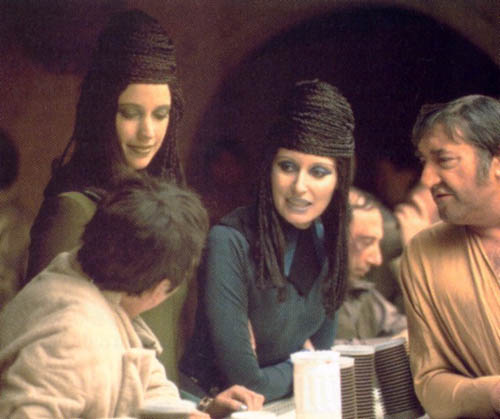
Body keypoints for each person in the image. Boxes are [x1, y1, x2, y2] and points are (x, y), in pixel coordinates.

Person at [0, 177, 264, 418]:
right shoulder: (74, 337)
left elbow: (142, 384)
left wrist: (201, 410)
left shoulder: (89, 281)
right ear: (161, 288)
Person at [24, 9, 187, 383]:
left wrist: (203, 403)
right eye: (130, 113)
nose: (148, 132)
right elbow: (46, 359)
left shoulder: (168, 209)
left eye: (161, 114)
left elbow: (168, 356)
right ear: (102, 111)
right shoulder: (73, 211)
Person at [180, 79, 355, 402]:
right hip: (210, 408)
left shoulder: (329, 243)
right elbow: (249, 385)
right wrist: (306, 362)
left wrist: (309, 363)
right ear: (268, 168)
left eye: (318, 172)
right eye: (287, 166)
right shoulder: (228, 242)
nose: (299, 186)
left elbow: (323, 354)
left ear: (339, 180)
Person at [398, 94, 500, 418]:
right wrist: (492, 394)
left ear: (497, 163)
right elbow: (430, 384)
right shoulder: (425, 254)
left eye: (444, 160)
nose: (427, 179)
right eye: (425, 162)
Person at [335, 187, 407, 341]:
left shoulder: (360, 292)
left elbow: (408, 329)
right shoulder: (304, 300)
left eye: (378, 243)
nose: (377, 259)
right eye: (367, 242)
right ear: (334, 238)